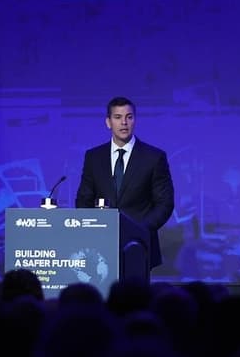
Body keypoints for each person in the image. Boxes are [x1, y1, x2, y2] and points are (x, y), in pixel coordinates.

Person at [75, 96, 175, 269]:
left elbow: (164, 204)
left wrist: (138, 230)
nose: (124, 123)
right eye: (118, 117)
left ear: (135, 120)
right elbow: (84, 199)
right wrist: (92, 229)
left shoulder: (154, 157)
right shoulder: (93, 157)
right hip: (100, 246)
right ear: (108, 122)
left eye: (129, 117)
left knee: (136, 296)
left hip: (139, 246)